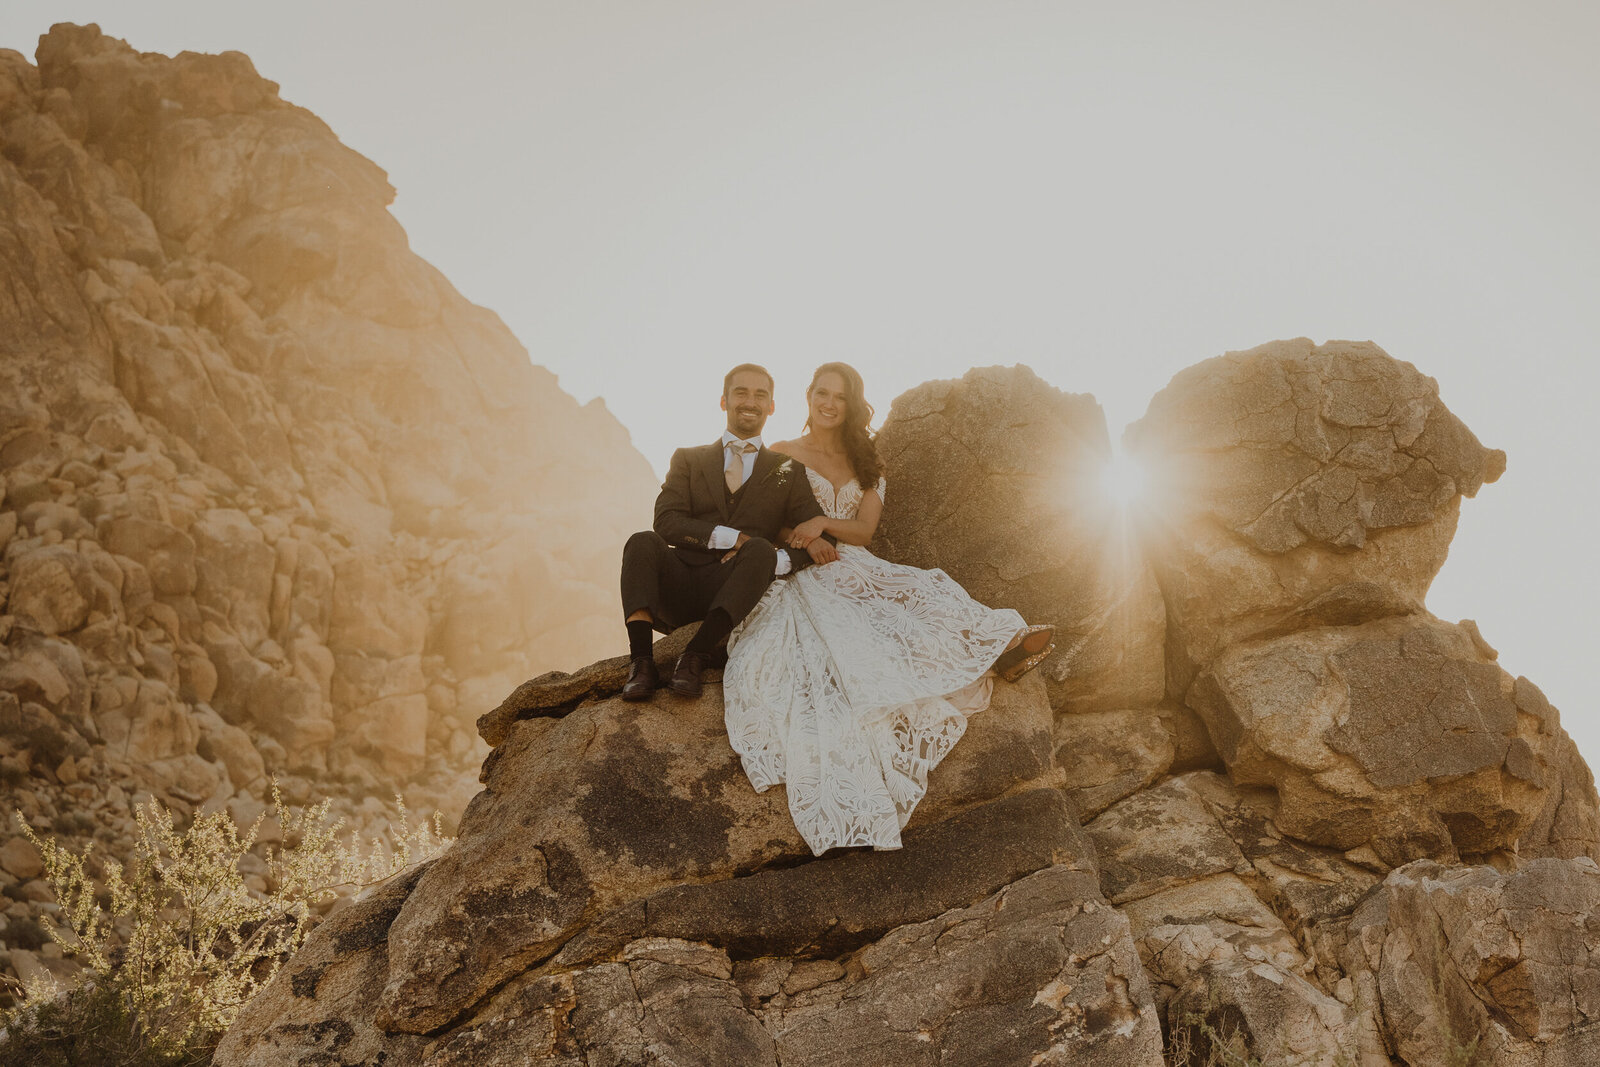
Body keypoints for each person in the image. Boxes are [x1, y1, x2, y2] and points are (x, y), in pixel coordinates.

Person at [723, 362, 1054, 856]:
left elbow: (864, 532)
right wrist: (803, 537)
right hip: (801, 565)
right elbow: (765, 521)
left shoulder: (867, 462)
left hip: (852, 557)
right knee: (850, 636)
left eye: (839, 396)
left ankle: (999, 647)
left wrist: (819, 521)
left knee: (922, 588)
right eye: (821, 393)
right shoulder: (783, 453)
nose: (828, 403)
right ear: (808, 396)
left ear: (851, 404)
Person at [618, 363, 839, 701]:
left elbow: (817, 529)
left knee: (764, 550)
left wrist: (772, 559)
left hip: (731, 592)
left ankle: (694, 658)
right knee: (641, 542)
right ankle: (641, 664)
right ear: (724, 401)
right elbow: (666, 520)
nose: (750, 402)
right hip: (679, 582)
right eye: (741, 393)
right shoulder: (688, 459)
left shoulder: (787, 470)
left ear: (771, 406)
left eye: (759, 395)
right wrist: (732, 537)